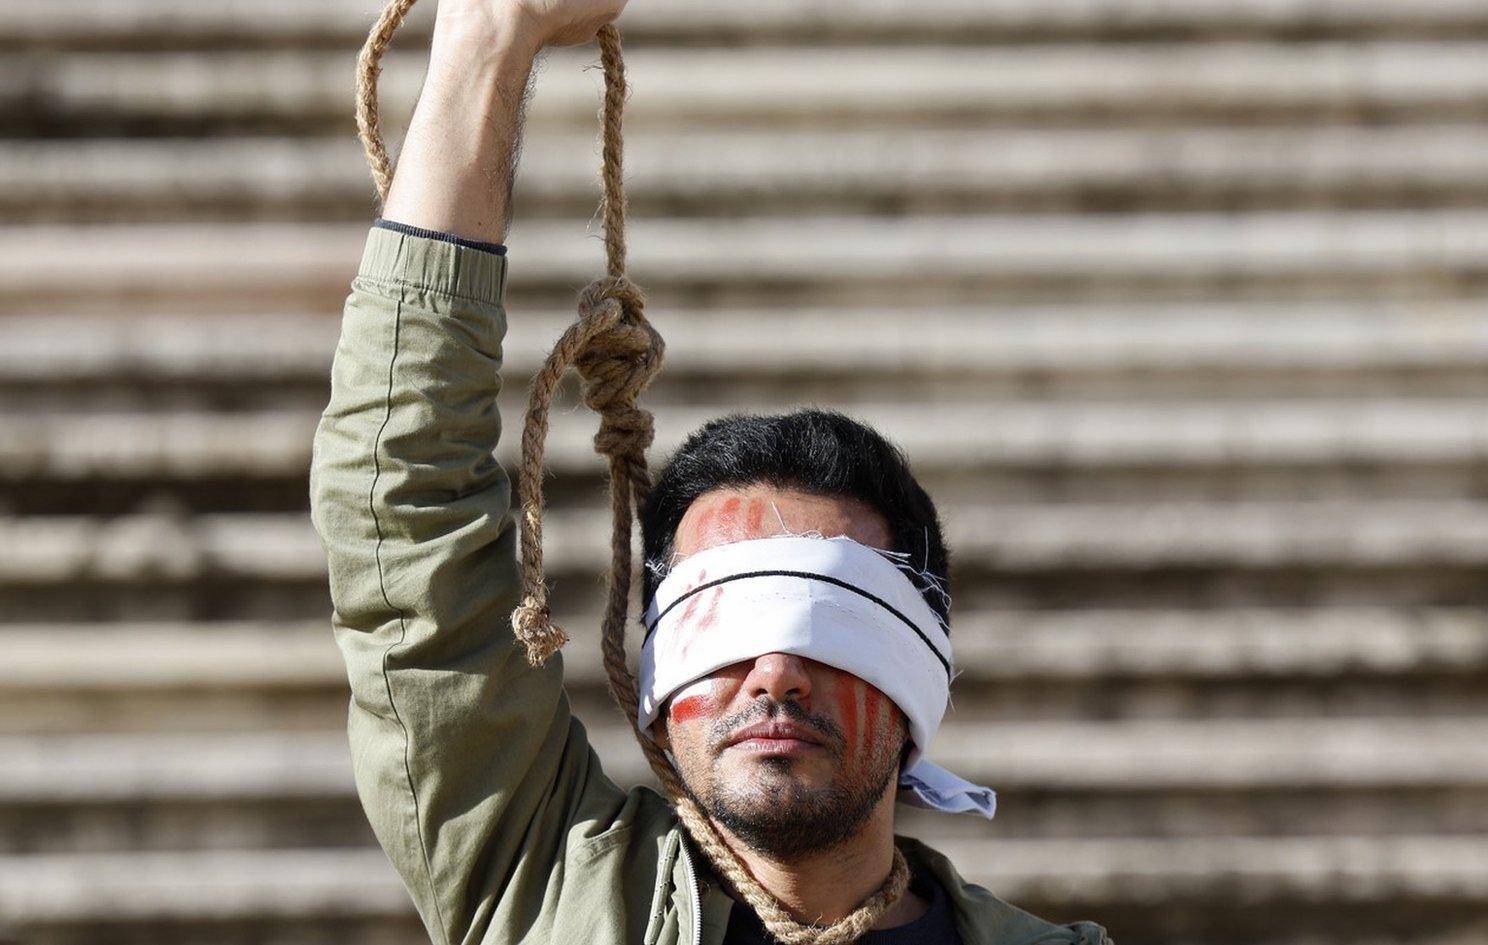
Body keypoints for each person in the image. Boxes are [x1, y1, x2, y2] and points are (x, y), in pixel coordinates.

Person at [309, 1, 1114, 942]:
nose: (773, 672)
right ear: (655, 670)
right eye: (722, 622)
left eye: (831, 622)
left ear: (918, 679)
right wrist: (488, 38)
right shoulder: (551, 888)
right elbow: (404, 511)